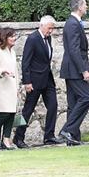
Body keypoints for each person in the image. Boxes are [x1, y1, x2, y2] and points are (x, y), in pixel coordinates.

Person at [15, 15, 59, 148]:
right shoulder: (33, 38)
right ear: (42, 25)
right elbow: (26, 61)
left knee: (53, 106)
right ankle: (18, 137)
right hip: (34, 80)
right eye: (49, 28)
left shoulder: (48, 38)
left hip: (47, 79)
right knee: (27, 110)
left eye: (52, 29)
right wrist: (27, 81)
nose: (51, 31)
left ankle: (49, 136)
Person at [58, 0, 89, 146]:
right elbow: (74, 50)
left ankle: (73, 138)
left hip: (73, 69)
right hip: (74, 70)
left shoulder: (74, 23)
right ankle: (67, 130)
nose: (87, 7)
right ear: (79, 7)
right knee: (86, 98)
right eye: (85, 4)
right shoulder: (72, 23)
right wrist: (83, 70)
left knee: (73, 104)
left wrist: (88, 68)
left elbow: (79, 50)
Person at [0, 27, 20, 149]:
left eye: (14, 36)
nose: (14, 38)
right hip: (1, 88)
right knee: (2, 114)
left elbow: (16, 71)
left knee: (11, 114)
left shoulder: (12, 52)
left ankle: (6, 140)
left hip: (12, 88)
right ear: (5, 38)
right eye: (11, 36)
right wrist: (2, 71)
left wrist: (18, 86)